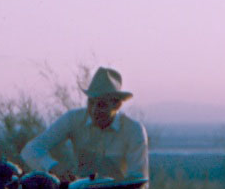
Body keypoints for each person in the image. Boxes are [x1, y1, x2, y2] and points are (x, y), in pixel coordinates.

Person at [20, 67, 148, 182]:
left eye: (101, 105)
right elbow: (31, 150)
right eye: (91, 102)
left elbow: (138, 180)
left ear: (117, 105)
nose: (94, 110)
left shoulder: (133, 130)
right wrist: (52, 167)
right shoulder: (74, 119)